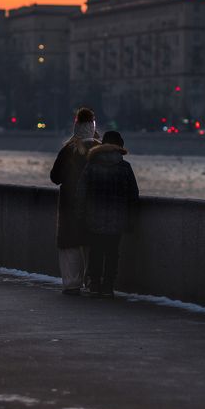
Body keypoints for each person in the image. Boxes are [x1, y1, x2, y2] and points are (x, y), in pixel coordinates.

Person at [76, 130, 139, 298]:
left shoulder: (92, 165)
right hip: (117, 218)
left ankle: (94, 283)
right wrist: (131, 218)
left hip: (94, 217)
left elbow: (81, 192)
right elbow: (133, 195)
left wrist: (81, 214)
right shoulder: (125, 167)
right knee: (112, 253)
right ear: (119, 146)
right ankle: (108, 285)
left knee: (95, 251)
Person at [50, 107, 99, 295]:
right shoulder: (99, 149)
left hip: (70, 205)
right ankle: (93, 281)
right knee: (90, 244)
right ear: (93, 126)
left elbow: (55, 178)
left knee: (69, 245)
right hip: (94, 205)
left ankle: (71, 284)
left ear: (76, 126)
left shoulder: (68, 150)